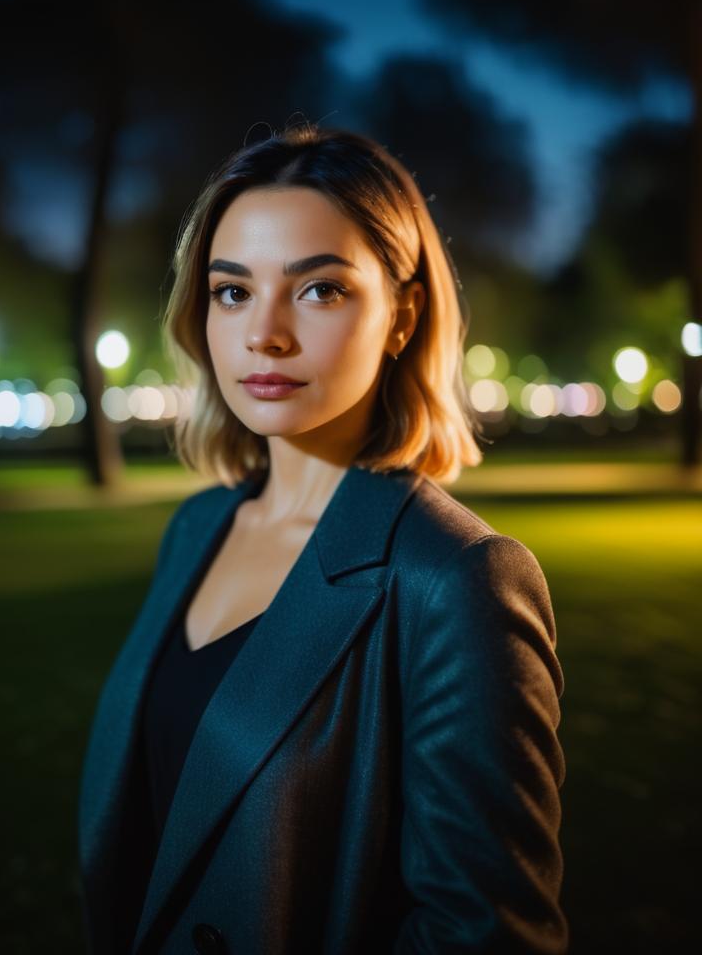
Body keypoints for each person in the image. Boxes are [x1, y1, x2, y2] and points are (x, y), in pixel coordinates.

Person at [77, 123, 568, 954]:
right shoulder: (198, 527)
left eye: (319, 290)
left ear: (404, 316)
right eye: (232, 290)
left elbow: (487, 934)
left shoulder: (457, 579)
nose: (264, 333)